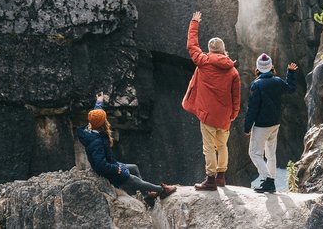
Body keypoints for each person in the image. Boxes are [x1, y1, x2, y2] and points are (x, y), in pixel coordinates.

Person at [77, 93, 176, 201]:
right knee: (133, 180)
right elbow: (100, 165)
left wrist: (99, 101)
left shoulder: (91, 126)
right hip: (107, 171)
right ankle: (162, 190)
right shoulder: (96, 142)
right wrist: (116, 169)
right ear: (102, 123)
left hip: (110, 163)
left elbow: (97, 113)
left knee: (134, 167)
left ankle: (146, 195)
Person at [182, 11, 241, 190]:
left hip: (207, 114)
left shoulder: (203, 61)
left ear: (210, 49)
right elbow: (236, 96)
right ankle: (222, 177)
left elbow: (192, 45)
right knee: (222, 145)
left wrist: (194, 22)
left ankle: (210, 180)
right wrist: (234, 114)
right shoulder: (233, 71)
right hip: (224, 116)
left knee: (208, 147)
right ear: (223, 50)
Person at [244, 53, 298, 193]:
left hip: (262, 125)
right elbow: (291, 88)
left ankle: (268, 180)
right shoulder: (277, 81)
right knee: (270, 153)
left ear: (258, 68)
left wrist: (247, 127)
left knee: (254, 153)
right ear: (271, 67)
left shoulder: (257, 85)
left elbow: (252, 109)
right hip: (275, 123)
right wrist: (290, 73)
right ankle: (271, 181)